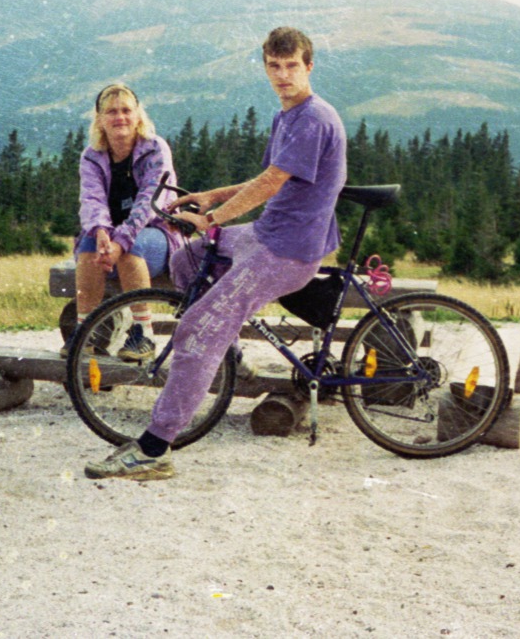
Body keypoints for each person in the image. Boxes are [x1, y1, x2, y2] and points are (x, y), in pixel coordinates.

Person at [84, 26, 347, 481]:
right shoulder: (289, 114)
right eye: (274, 66)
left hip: (288, 251)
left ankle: (154, 448)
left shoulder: (314, 119)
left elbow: (270, 184)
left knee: (195, 329)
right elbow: (267, 177)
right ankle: (230, 359)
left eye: (291, 67)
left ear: (309, 67)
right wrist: (210, 197)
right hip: (268, 234)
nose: (283, 76)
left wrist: (214, 218)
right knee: (188, 260)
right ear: (266, 67)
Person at [75, 83, 183, 361]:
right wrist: (100, 232)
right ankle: (86, 332)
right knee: (87, 245)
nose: (120, 117)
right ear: (99, 119)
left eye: (126, 110)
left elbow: (150, 202)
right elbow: (91, 200)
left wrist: (120, 241)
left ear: (138, 116)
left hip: (157, 235)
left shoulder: (155, 149)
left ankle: (143, 333)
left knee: (131, 246)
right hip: (110, 243)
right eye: (111, 112)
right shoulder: (92, 156)